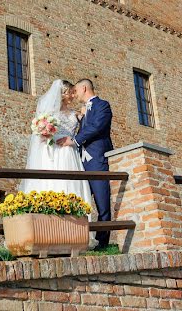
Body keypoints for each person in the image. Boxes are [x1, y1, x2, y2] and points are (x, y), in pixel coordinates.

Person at [20, 79, 95, 211]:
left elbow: (88, 128)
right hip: (52, 151)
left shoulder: (76, 114)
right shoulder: (49, 114)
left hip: (69, 152)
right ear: (63, 94)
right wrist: (44, 133)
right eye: (70, 93)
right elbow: (39, 135)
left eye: (73, 93)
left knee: (70, 185)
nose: (73, 96)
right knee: (51, 183)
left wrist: (85, 115)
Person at [57, 78, 114, 250]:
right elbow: (86, 125)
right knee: (79, 200)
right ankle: (77, 238)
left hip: (97, 160)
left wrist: (74, 140)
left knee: (102, 202)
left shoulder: (103, 105)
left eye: (75, 91)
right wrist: (81, 117)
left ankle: (102, 242)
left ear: (84, 88)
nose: (74, 94)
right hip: (80, 161)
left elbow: (96, 127)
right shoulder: (83, 110)